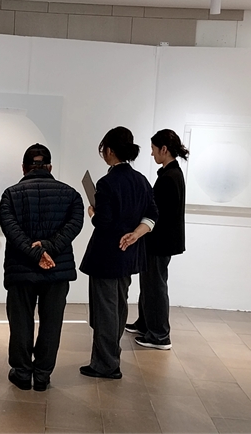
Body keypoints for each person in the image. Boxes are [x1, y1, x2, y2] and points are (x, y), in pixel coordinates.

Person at [0, 143, 84, 392]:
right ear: (50, 167)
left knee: (20, 322)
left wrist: (35, 251)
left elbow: (11, 229)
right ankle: (43, 376)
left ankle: (22, 373)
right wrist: (49, 248)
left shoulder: (11, 194)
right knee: (51, 323)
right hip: (57, 269)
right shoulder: (71, 195)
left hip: (20, 268)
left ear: (24, 167)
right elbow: (74, 225)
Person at [79, 127, 158, 379]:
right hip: (129, 254)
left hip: (106, 255)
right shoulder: (141, 180)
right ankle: (111, 357)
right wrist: (136, 233)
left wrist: (92, 212)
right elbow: (153, 214)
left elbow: (103, 222)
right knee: (119, 306)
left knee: (105, 310)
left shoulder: (107, 183)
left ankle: (105, 364)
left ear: (110, 151)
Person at [125, 129, 188, 350]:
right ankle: (145, 324)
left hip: (160, 242)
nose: (152, 154)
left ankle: (160, 335)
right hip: (159, 241)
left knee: (155, 287)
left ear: (164, 149)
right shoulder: (170, 174)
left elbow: (157, 212)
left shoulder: (170, 177)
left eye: (153, 149)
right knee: (149, 284)